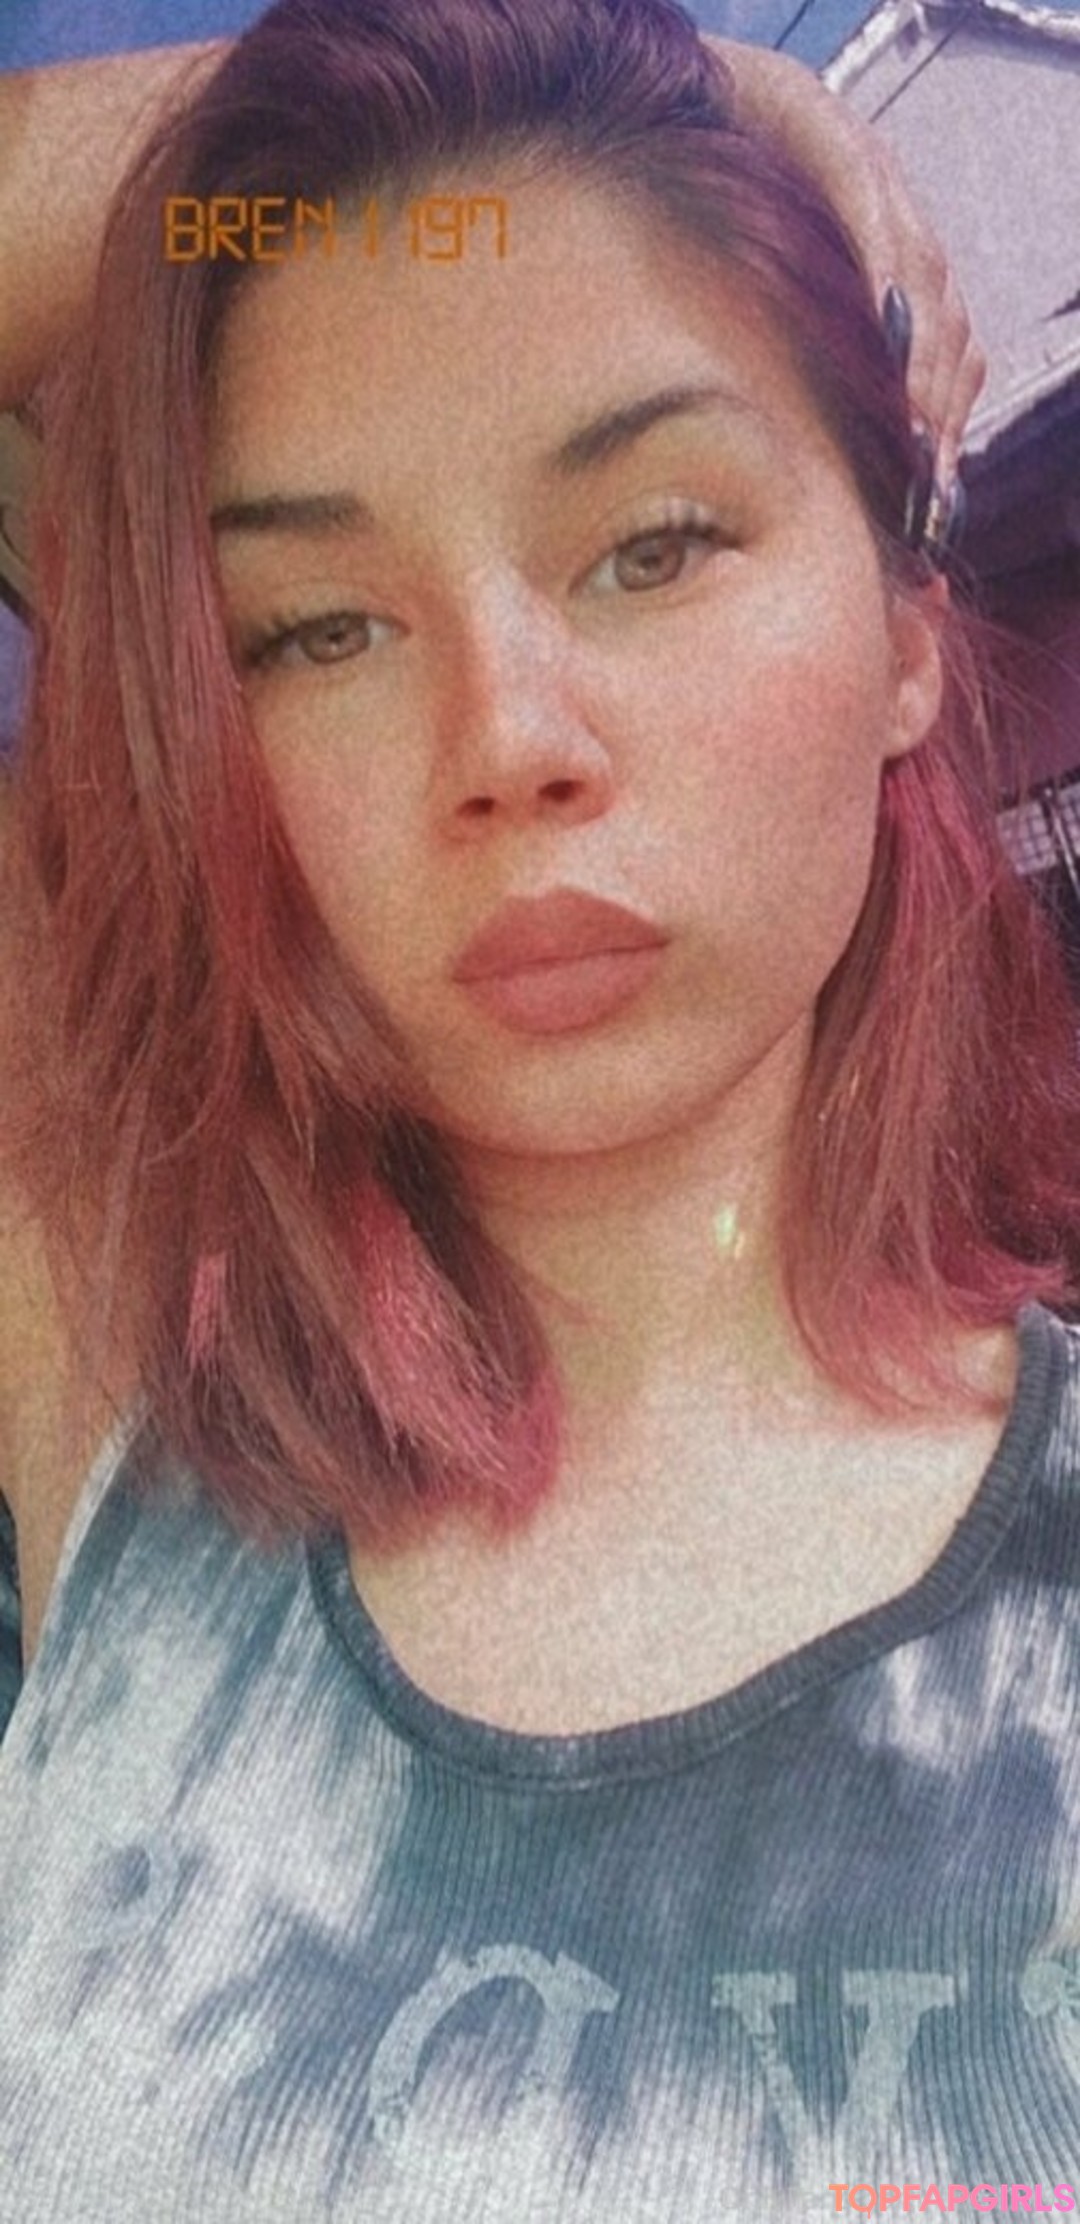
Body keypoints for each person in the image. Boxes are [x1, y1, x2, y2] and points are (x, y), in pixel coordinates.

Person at [1, 0, 1080, 2215]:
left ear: (905, 633)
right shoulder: (115, 1378)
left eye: (653, 544)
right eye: (318, 629)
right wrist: (688, 87)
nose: (506, 734)